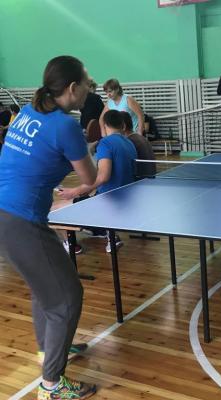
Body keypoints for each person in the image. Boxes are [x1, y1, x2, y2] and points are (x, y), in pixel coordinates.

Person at [0, 56, 97, 399]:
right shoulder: (65, 126)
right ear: (72, 88)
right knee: (67, 299)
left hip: (7, 214)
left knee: (46, 289)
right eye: (86, 83)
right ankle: (52, 385)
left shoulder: (28, 111)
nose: (89, 88)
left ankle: (50, 350)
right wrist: (88, 151)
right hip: (21, 220)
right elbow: (90, 177)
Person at [56, 109, 137, 253]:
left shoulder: (106, 143)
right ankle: (104, 231)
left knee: (54, 209)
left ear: (104, 125)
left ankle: (71, 245)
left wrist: (74, 191)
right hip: (128, 199)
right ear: (123, 126)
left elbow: (103, 177)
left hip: (108, 202)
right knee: (84, 198)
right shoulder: (129, 143)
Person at [120, 111, 156, 179]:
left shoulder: (129, 142)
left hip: (140, 180)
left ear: (123, 126)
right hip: (150, 178)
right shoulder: (141, 138)